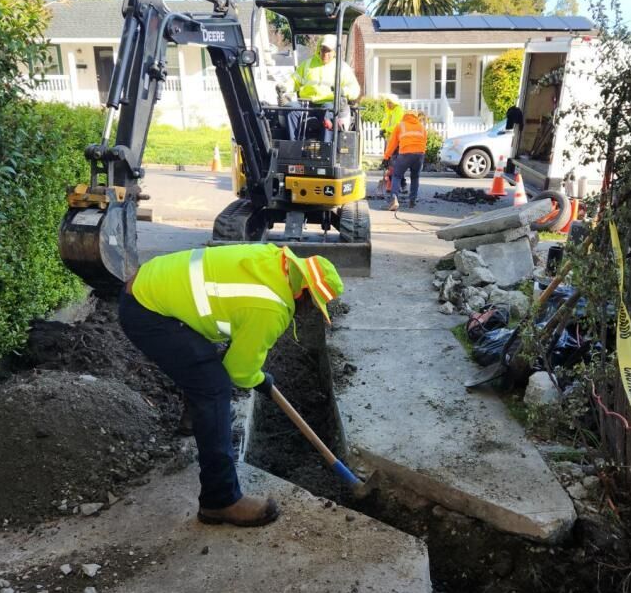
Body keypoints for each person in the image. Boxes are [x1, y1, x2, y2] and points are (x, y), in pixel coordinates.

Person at [118, 243, 344, 528]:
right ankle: (220, 500)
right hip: (148, 311)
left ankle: (196, 419)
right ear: (306, 294)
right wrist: (262, 379)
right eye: (313, 304)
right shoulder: (271, 307)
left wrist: (258, 377)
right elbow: (239, 371)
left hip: (150, 283)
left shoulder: (273, 259)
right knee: (214, 389)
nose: (309, 312)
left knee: (204, 370)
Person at [284, 35, 360, 141]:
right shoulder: (307, 64)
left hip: (329, 103)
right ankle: (295, 146)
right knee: (290, 109)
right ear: (319, 49)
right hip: (306, 104)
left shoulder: (342, 68)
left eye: (328, 51)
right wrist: (284, 87)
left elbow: (355, 89)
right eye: (323, 50)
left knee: (329, 109)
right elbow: (294, 81)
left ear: (334, 52)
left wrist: (343, 91)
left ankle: (326, 150)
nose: (325, 54)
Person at [382, 109, 428, 210]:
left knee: (397, 176)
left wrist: (386, 157)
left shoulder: (400, 125)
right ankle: (412, 201)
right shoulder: (421, 127)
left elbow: (392, 143)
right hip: (419, 155)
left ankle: (394, 199)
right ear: (415, 117)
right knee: (415, 177)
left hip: (405, 154)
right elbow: (424, 142)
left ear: (405, 116)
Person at [379, 93, 408, 196]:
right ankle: (391, 184)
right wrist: (382, 130)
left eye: (390, 102)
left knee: (395, 163)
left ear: (394, 102)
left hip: (397, 141)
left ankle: (402, 184)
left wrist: (386, 130)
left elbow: (397, 126)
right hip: (389, 140)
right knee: (389, 163)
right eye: (387, 102)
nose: (388, 104)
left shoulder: (399, 111)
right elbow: (385, 124)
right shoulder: (388, 112)